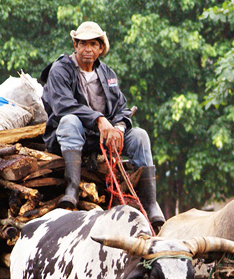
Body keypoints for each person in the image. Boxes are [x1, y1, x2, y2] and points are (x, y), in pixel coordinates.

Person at [40, 21, 165, 227]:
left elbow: (121, 109)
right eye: (83, 44)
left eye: (93, 44)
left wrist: (118, 128)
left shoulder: (108, 74)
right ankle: (72, 189)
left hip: (101, 139)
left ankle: (150, 203)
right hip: (70, 136)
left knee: (140, 135)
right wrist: (99, 120)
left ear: (101, 48)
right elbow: (63, 105)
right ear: (75, 45)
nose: (87, 49)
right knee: (70, 121)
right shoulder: (60, 69)